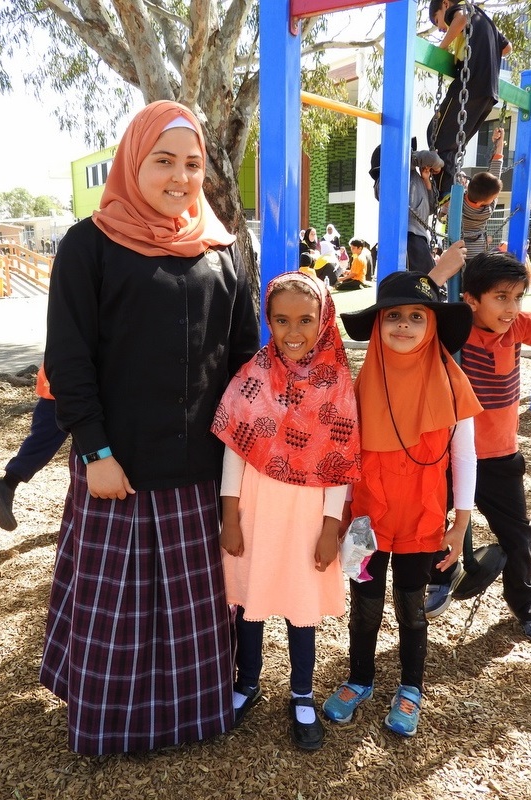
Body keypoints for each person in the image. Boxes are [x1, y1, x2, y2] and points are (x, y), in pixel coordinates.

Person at [40, 100, 260, 755]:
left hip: (200, 472)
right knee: (120, 614)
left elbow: (245, 357)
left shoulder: (222, 252)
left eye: (192, 164)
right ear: (132, 162)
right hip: (120, 470)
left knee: (193, 613)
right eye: (162, 160)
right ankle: (112, 726)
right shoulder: (90, 244)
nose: (179, 176)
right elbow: (69, 359)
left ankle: (190, 719)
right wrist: (95, 450)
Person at [322, 271, 481, 737]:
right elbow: (345, 457)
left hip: (423, 519)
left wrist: (462, 523)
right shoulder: (358, 386)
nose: (405, 326)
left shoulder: (452, 383)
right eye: (394, 316)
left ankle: (411, 686)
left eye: (418, 316)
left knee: (412, 608)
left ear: (433, 326)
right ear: (377, 325)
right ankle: (359, 679)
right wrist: (340, 516)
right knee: (365, 607)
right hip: (367, 520)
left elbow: (463, 454)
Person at [211, 271, 361, 751]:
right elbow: (235, 445)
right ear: (268, 322)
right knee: (250, 599)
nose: (293, 331)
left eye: (305, 319)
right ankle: (247, 682)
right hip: (256, 505)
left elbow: (340, 460)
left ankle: (301, 694)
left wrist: (329, 527)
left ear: (324, 319)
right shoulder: (253, 374)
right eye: (281, 320)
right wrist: (230, 515)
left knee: (301, 605)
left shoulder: (337, 382)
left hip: (307, 513)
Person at [425, 253, 531, 640]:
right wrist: (439, 273)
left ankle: (524, 603)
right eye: (501, 297)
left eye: (518, 296)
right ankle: (440, 576)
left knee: (520, 540)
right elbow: (410, 308)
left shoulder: (518, 326)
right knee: (431, 524)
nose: (511, 307)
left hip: (501, 458)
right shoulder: (456, 328)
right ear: (471, 299)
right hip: (451, 456)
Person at [427, 0, 512, 201]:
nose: (440, 27)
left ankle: (446, 191)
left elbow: (461, 19)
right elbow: (507, 47)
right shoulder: (484, 20)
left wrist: (442, 47)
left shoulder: (463, 10)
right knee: (457, 141)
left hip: (470, 84)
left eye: (437, 19)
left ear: (445, 4)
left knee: (436, 132)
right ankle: (451, 187)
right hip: (489, 92)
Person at [0, 366, 68, 532]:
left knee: (42, 440)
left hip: (63, 380)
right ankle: (7, 485)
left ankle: (8, 485)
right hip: (69, 380)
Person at [370, 146, 444, 274]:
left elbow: (431, 208)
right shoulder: (395, 172)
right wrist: (438, 164)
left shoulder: (412, 178)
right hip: (409, 237)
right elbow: (432, 159)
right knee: (420, 284)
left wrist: (426, 179)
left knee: (427, 283)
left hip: (417, 237)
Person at [456, 127, 504, 261]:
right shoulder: (487, 210)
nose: (495, 199)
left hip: (458, 250)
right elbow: (496, 171)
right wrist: (499, 144)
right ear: (480, 203)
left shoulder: (459, 202)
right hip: (476, 254)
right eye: (493, 198)